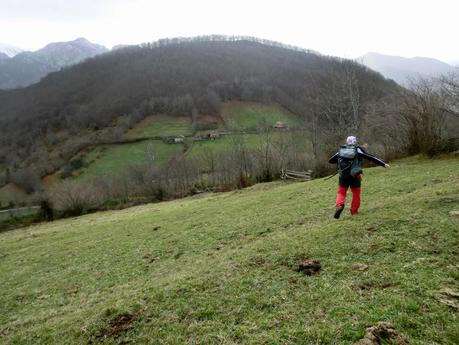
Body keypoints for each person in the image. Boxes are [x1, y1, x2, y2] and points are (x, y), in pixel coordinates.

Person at [328, 136, 390, 219]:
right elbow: (370, 157)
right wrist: (383, 164)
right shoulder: (357, 150)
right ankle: (354, 211)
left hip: (343, 176)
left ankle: (339, 205)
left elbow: (331, 160)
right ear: (355, 142)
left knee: (341, 193)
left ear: (347, 142)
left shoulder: (341, 150)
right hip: (355, 175)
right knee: (356, 193)